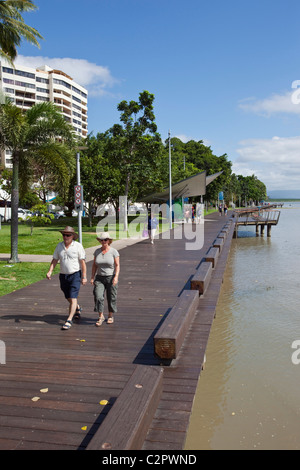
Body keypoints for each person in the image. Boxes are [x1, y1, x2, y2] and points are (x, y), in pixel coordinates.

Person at [46, 226, 87, 330]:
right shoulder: (59, 246)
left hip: (75, 275)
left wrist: (84, 276)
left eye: (68, 235)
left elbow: (83, 263)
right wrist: (50, 271)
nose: (65, 237)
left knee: (73, 297)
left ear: (72, 236)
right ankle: (77, 307)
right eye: (64, 235)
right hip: (63, 275)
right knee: (68, 296)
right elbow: (55, 260)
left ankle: (69, 320)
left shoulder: (78, 246)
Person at [91, 232, 120, 326]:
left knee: (111, 297)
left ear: (109, 241)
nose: (103, 241)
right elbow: (94, 265)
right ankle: (101, 316)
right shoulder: (97, 251)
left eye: (105, 240)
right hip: (99, 278)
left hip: (111, 277)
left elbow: (117, 265)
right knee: (98, 296)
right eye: (102, 240)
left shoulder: (114, 251)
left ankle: (110, 315)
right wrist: (92, 277)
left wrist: (116, 277)